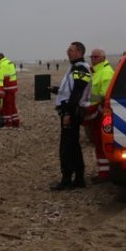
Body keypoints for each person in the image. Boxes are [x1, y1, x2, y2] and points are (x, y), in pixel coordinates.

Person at [50, 42, 92, 190]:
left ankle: (67, 179)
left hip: (72, 111)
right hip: (71, 109)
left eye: (71, 50)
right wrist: (56, 90)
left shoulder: (81, 68)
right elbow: (70, 90)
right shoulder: (75, 68)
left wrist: (68, 113)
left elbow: (78, 92)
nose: (67, 52)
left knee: (67, 146)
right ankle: (79, 179)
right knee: (73, 145)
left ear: (79, 51)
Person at [82, 49, 115, 182]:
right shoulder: (96, 71)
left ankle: (105, 173)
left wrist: (89, 99)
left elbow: (104, 96)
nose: (93, 59)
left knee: (102, 144)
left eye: (96, 57)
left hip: (100, 114)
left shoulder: (106, 73)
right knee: (98, 144)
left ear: (103, 57)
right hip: (95, 113)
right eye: (91, 57)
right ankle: (103, 171)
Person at [0, 52, 20, 128]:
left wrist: (0, 89)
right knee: (12, 105)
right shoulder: (9, 62)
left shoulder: (2, 64)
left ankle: (8, 123)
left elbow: (5, 78)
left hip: (7, 88)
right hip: (13, 87)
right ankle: (15, 121)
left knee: (7, 106)